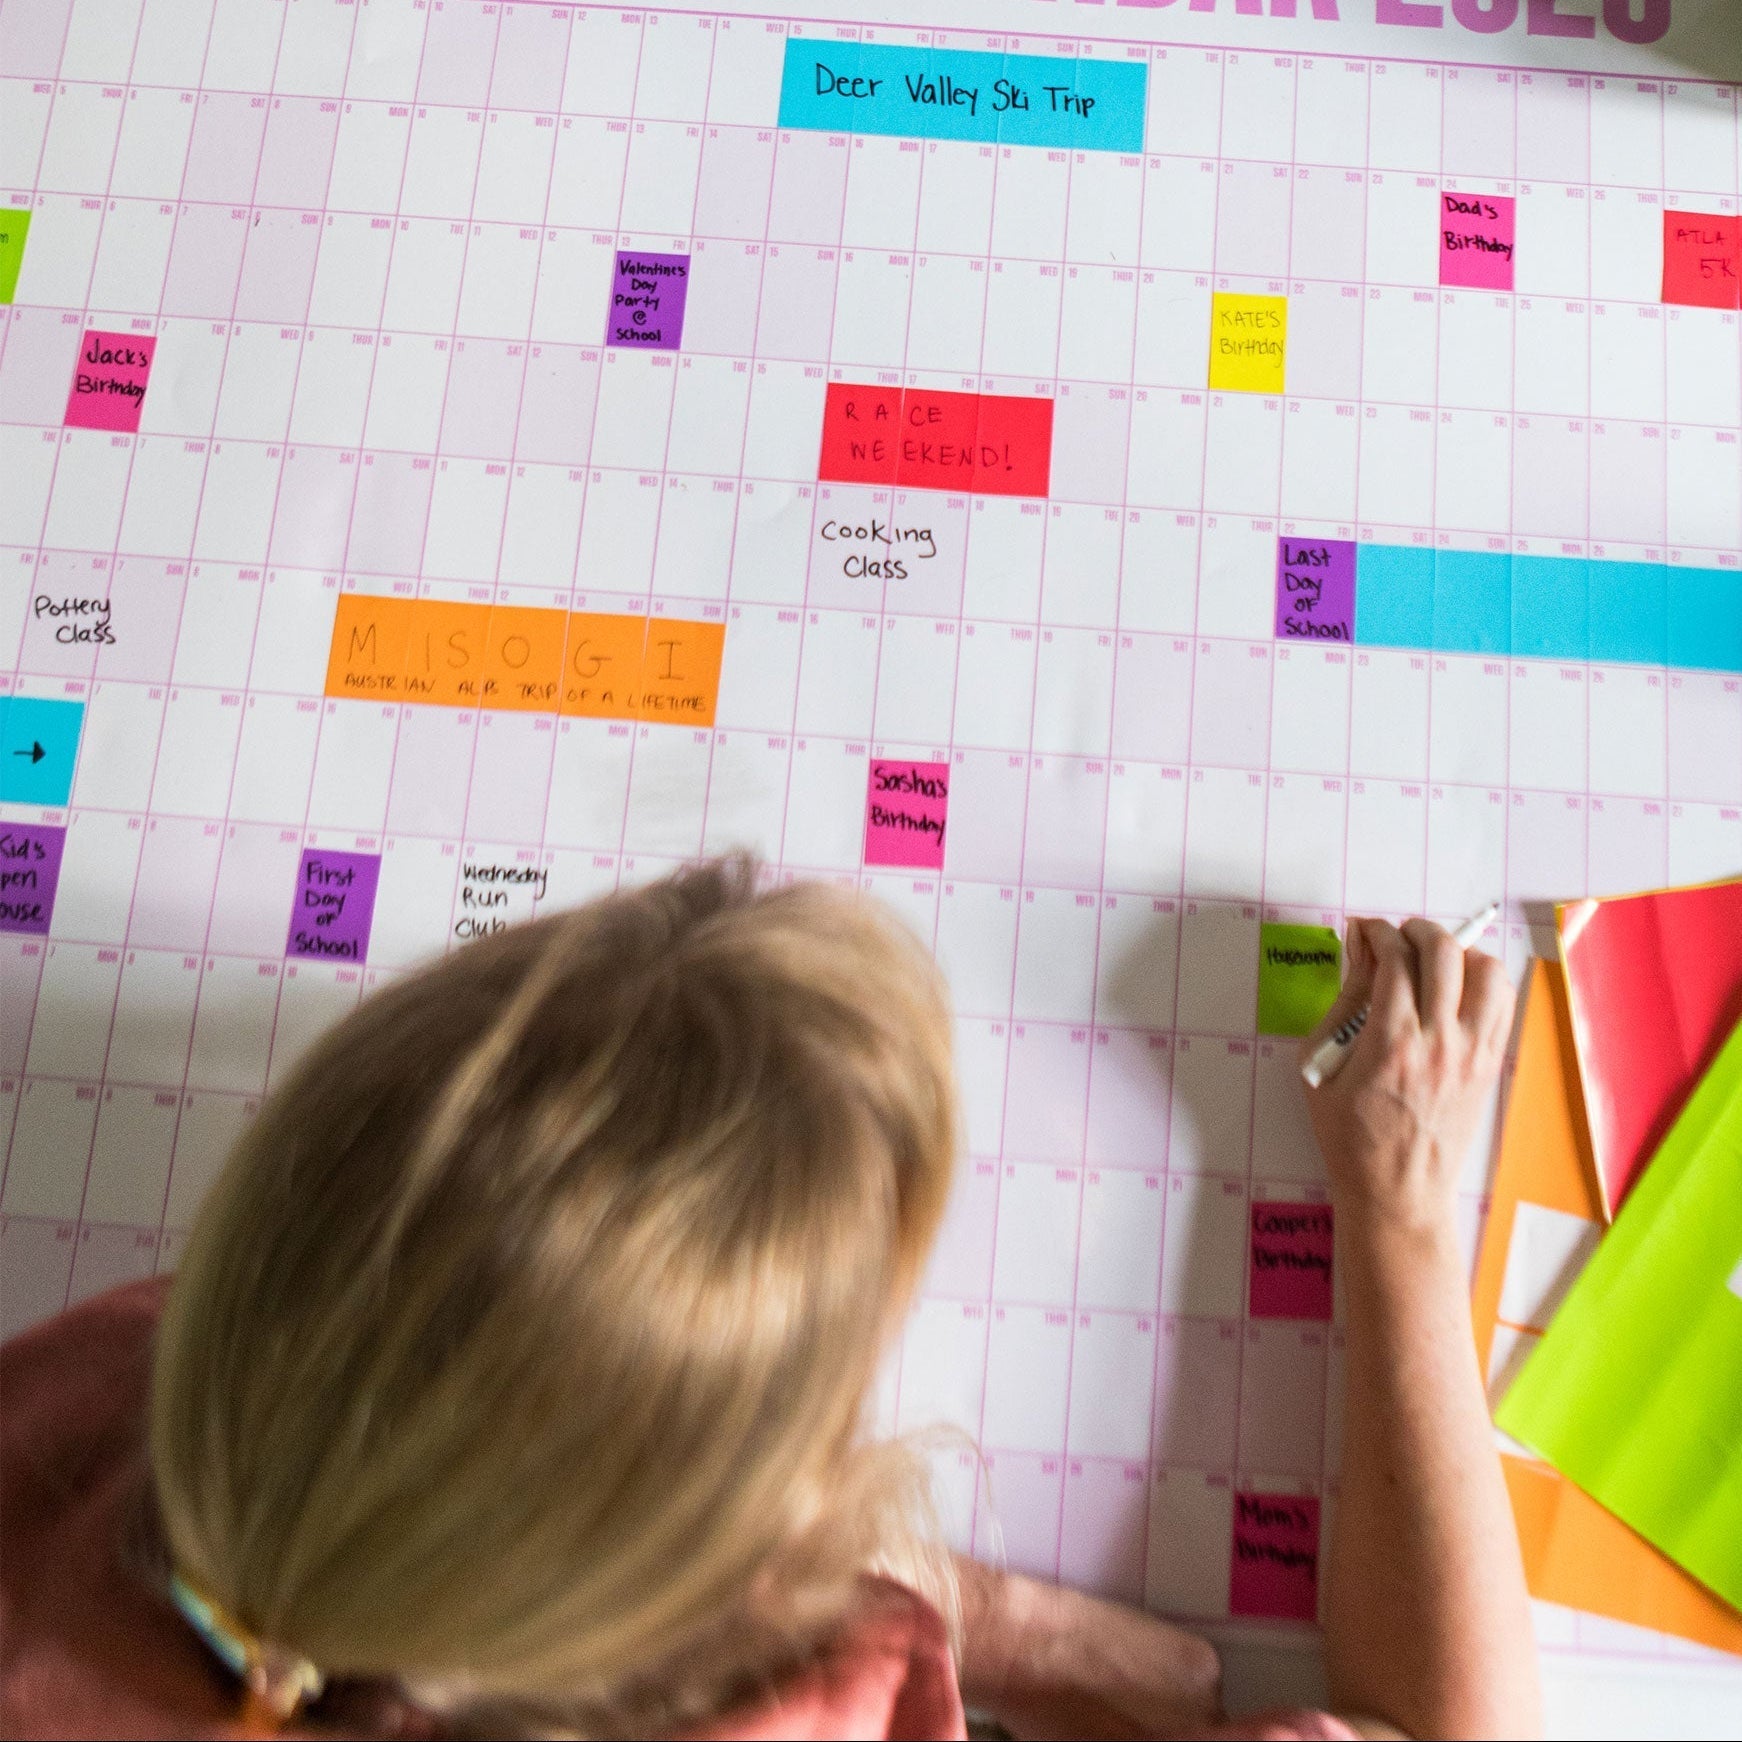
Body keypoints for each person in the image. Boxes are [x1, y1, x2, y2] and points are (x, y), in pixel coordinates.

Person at [1, 858, 1539, 1740]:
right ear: (724, 1589)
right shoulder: (796, 1699)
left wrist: (993, 1618)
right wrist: (1402, 1224)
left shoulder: (88, 1390)